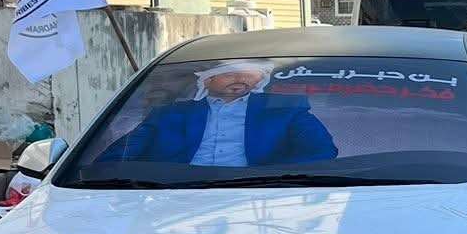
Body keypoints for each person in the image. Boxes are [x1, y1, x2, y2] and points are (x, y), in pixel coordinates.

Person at [92, 60, 336, 169]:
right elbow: (120, 156)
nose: (240, 79)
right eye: (230, 74)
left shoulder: (285, 109)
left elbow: (321, 152)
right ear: (207, 81)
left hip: (259, 196)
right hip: (172, 195)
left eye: (248, 74)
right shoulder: (169, 114)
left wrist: (265, 177)